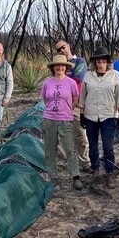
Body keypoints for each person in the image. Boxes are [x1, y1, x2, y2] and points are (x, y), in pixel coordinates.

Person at [79, 46, 119, 189]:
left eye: (103, 59)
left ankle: (110, 173)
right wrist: (82, 114)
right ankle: (95, 170)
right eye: (98, 59)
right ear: (94, 61)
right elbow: (83, 96)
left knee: (108, 147)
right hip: (91, 115)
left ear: (107, 61)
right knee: (92, 146)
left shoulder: (115, 75)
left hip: (109, 115)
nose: (101, 62)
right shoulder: (88, 75)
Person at [41, 54, 83, 190]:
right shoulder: (47, 83)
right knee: (50, 150)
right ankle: (53, 177)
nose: (60, 67)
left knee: (70, 149)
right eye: (57, 65)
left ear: (66, 67)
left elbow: (76, 98)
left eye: (62, 65)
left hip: (66, 120)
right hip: (50, 119)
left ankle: (75, 176)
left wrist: (68, 108)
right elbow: (45, 99)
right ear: (53, 67)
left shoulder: (71, 83)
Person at [55, 39, 91, 171]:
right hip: (59, 105)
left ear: (69, 46)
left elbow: (77, 80)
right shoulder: (58, 65)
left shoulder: (79, 62)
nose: (61, 51)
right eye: (58, 49)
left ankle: (85, 162)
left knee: (80, 134)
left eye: (63, 47)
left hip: (75, 104)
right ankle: (66, 161)